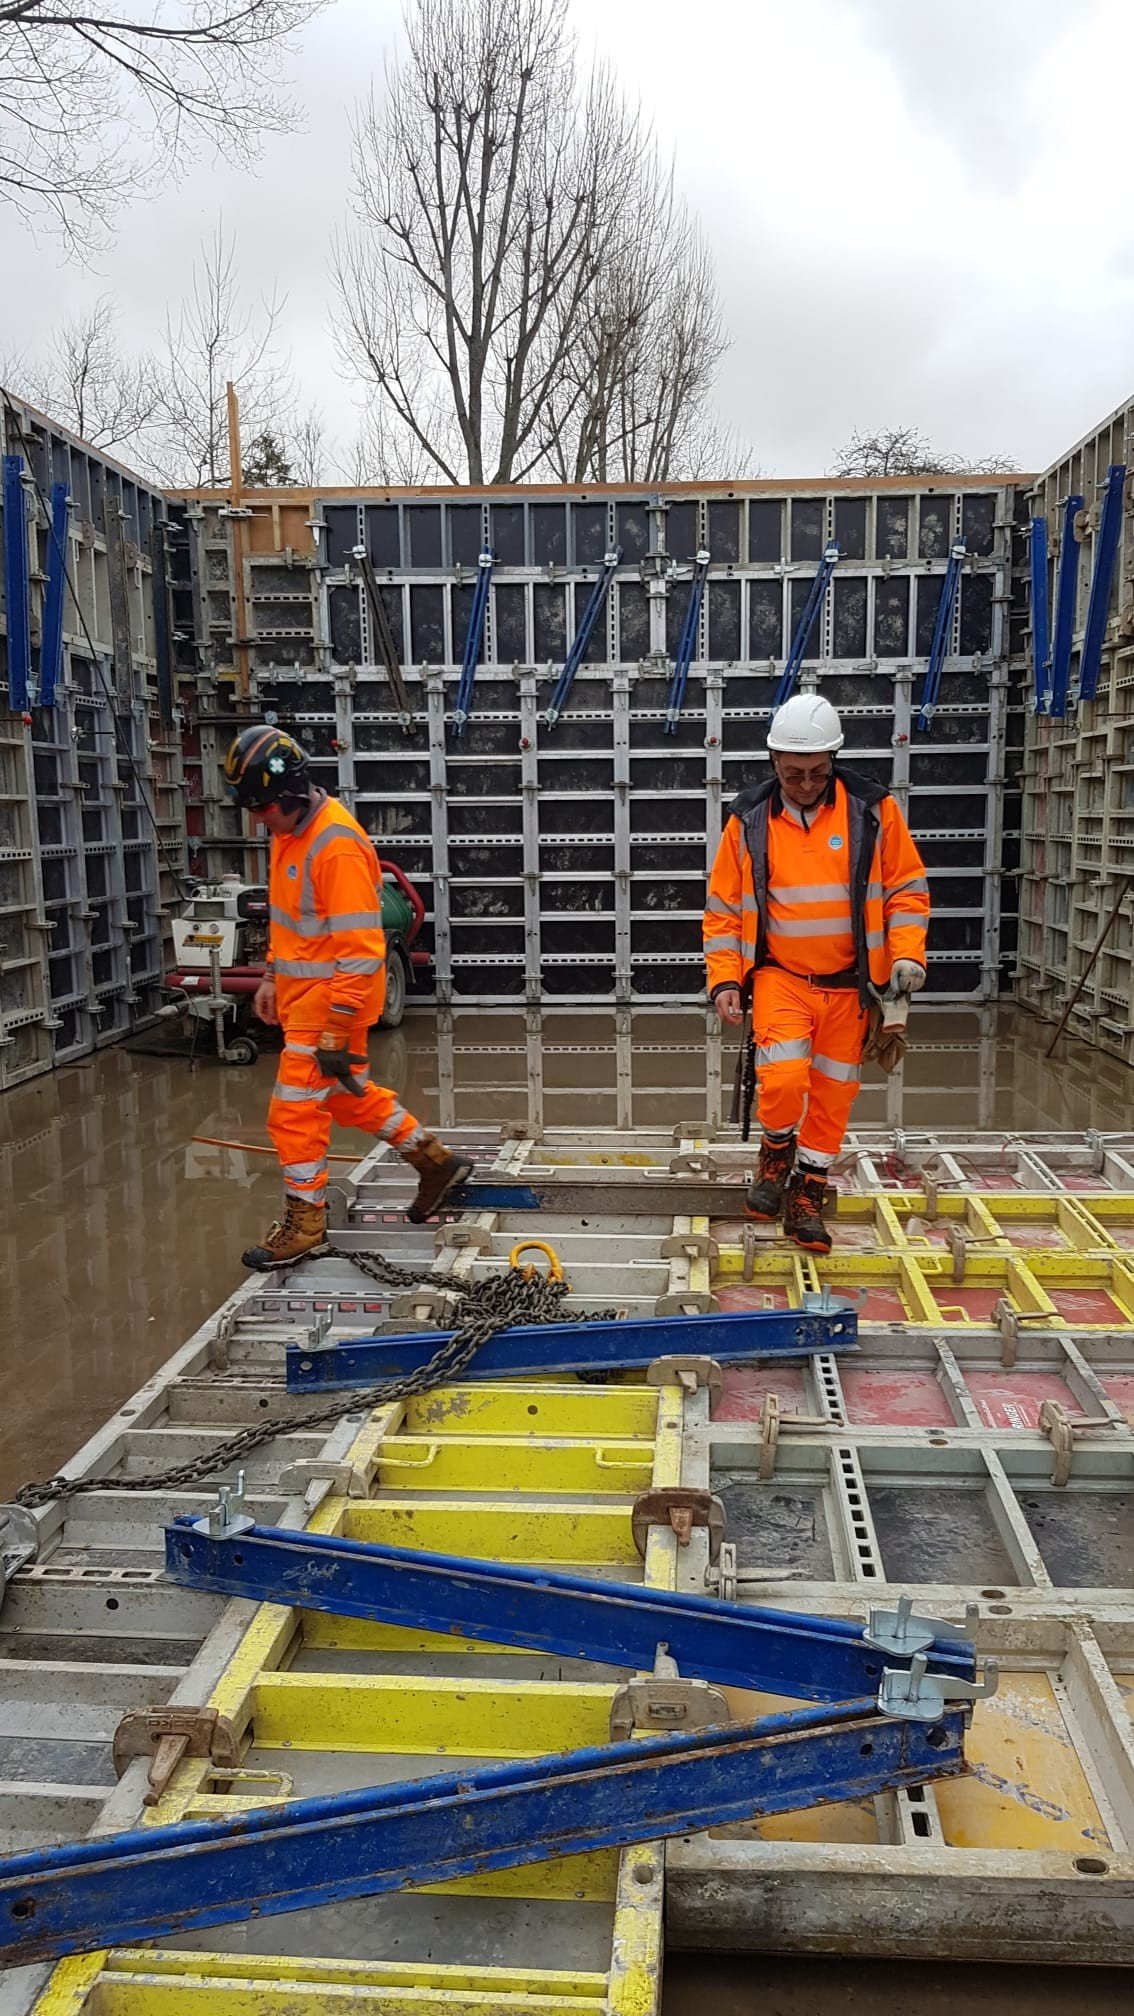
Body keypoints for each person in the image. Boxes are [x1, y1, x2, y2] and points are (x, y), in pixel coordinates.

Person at [222, 724, 473, 1268]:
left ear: (292, 794)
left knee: (291, 1113)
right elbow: (293, 920)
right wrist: (272, 975)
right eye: (252, 808)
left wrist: (336, 1024)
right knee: (343, 1096)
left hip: (332, 1000)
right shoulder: (290, 833)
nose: (257, 818)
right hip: (308, 997)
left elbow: (362, 950)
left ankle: (306, 1223)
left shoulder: (335, 846)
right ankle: (434, 1162)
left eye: (262, 807)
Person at [703, 693, 930, 1253]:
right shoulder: (749, 820)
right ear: (774, 762)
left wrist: (907, 954)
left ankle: (808, 1191)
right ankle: (775, 1152)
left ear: (833, 761)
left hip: (851, 985)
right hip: (781, 976)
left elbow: (906, 890)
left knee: (834, 1094)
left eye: (817, 773)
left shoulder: (872, 812)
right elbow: (724, 908)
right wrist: (725, 977)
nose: (805, 784)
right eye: (793, 773)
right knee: (782, 1080)